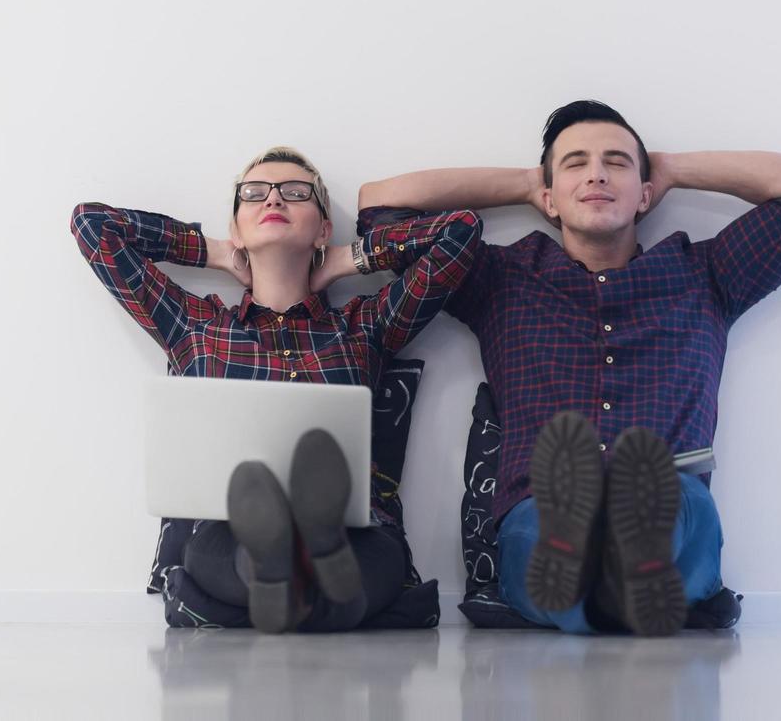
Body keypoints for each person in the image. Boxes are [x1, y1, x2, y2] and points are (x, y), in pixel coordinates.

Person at [358, 100, 781, 636]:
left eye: (616, 162)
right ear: (549, 198)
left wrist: (672, 170)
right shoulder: (501, 280)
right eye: (575, 164)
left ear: (645, 194)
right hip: (545, 511)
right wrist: (527, 182)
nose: (596, 173)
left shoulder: (706, 274)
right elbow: (382, 209)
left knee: (671, 500)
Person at [71, 147, 480, 633]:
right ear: (238, 224)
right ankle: (298, 581)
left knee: (377, 558)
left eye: (295, 193)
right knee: (219, 550)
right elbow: (93, 227)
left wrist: (352, 258)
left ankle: (293, 576)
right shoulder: (198, 328)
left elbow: (460, 233)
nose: (274, 200)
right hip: (233, 528)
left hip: (354, 530)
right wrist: (214, 250)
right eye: (255, 193)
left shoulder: (364, 327)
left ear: (323, 228)